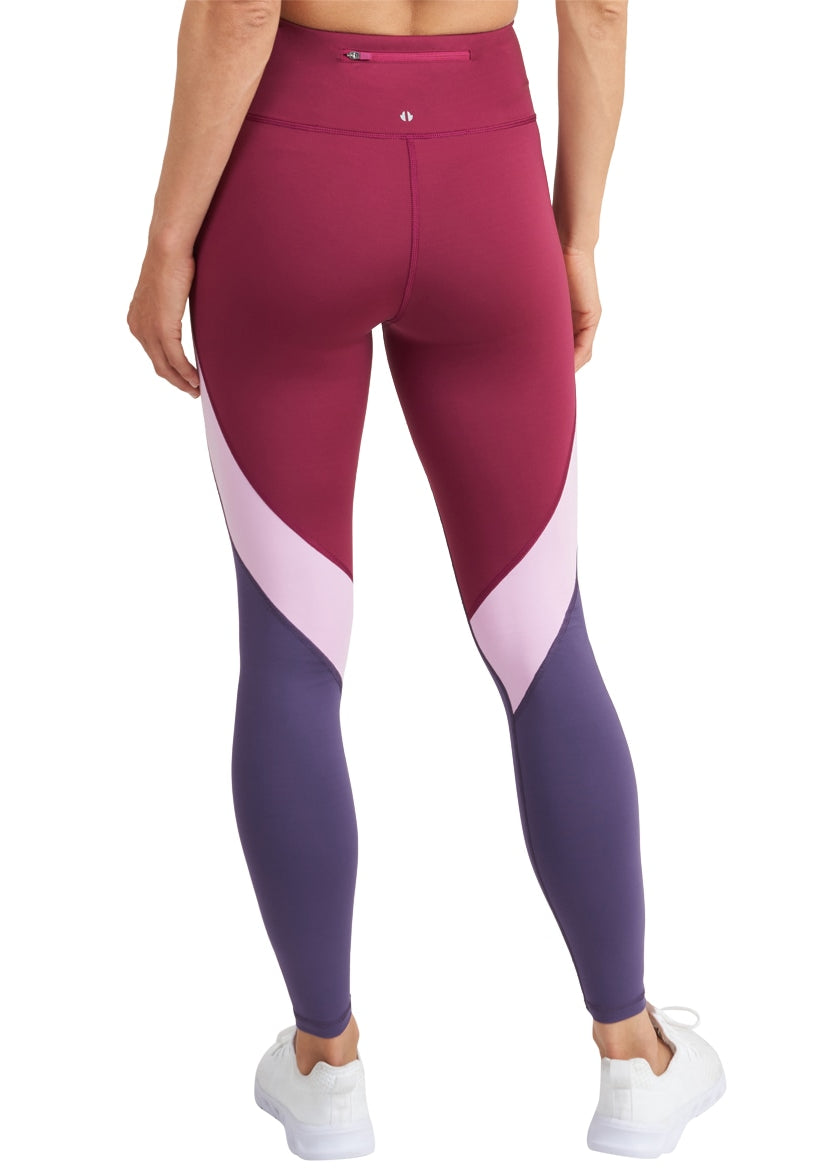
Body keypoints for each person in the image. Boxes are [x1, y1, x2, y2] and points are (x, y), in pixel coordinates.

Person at [127, 0, 725, 1161]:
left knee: (292, 647)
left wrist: (167, 241)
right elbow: (597, 12)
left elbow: (241, 10)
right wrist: (574, 236)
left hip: (291, 176)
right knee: (541, 640)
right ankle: (632, 1057)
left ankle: (326, 1070)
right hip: (484, 176)